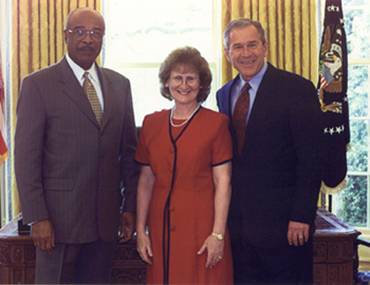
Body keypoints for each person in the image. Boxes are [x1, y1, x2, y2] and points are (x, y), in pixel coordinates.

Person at [14, 7, 138, 284]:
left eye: (96, 33)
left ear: (103, 38)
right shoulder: (38, 85)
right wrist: (37, 217)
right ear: (65, 36)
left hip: (105, 223)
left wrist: (129, 206)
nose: (87, 39)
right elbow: (26, 159)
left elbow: (128, 153)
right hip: (57, 224)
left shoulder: (120, 85)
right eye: (79, 32)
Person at [217, 18, 322, 284]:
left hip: (285, 226)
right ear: (228, 54)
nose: (246, 53)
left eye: (252, 45)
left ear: (265, 47)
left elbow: (311, 159)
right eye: (237, 47)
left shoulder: (297, 89)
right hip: (240, 228)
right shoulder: (223, 94)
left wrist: (301, 215)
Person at [135, 47, 233, 284]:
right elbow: (146, 181)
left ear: (201, 84)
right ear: (166, 83)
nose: (184, 85)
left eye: (191, 78)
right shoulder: (151, 123)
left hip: (201, 225)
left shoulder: (216, 124)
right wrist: (141, 230)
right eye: (177, 78)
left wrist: (217, 234)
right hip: (159, 226)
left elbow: (224, 182)